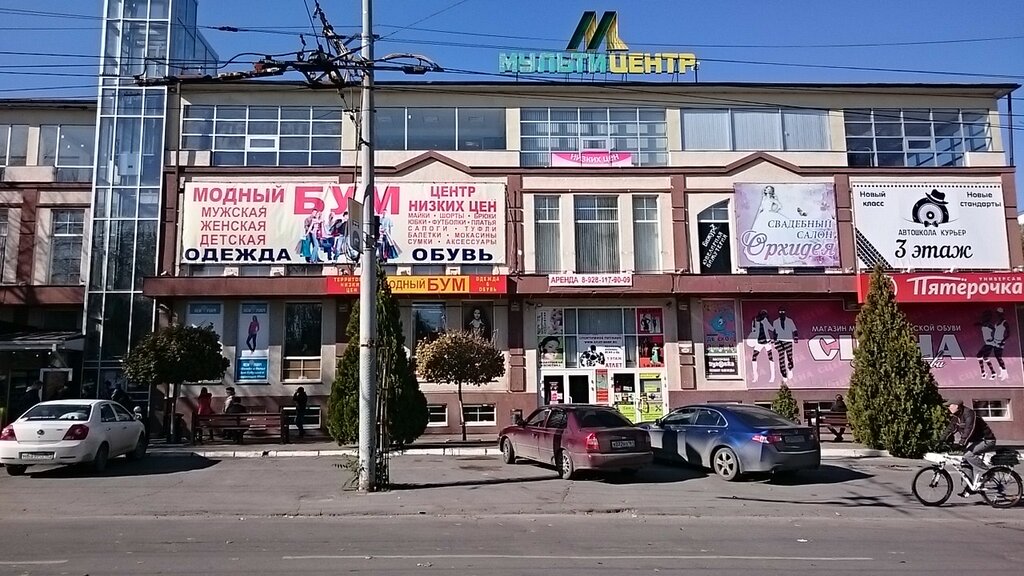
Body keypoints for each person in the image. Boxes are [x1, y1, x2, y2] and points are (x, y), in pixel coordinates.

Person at [943, 400, 997, 496]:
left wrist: (961, 443)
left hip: (987, 440)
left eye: (949, 406)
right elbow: (950, 429)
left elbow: (969, 429)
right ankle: (970, 487)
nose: (948, 408)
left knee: (968, 455)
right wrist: (940, 441)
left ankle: (987, 472)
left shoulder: (969, 414)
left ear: (956, 406)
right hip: (976, 441)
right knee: (964, 461)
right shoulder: (956, 417)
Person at [772, 307, 799, 382]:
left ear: (785, 313)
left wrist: (796, 338)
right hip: (779, 341)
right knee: (781, 358)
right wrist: (775, 342)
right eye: (780, 312)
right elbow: (774, 333)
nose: (782, 314)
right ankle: (784, 374)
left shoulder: (790, 321)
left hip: (788, 340)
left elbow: (794, 330)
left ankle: (790, 368)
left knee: (789, 357)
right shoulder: (775, 322)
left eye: (783, 312)